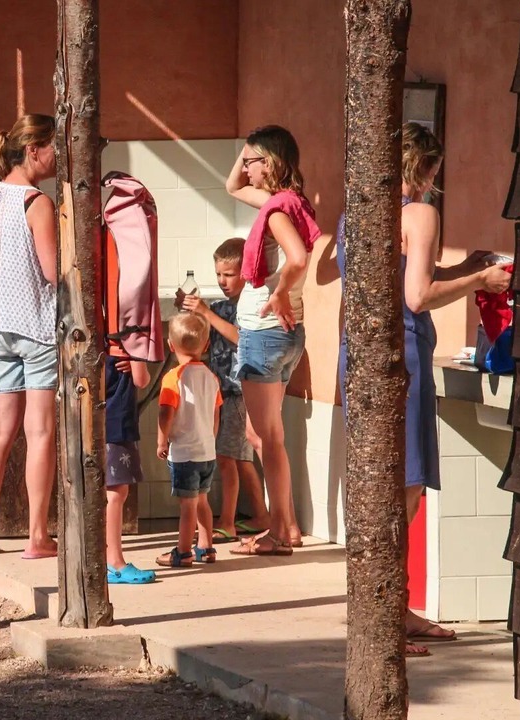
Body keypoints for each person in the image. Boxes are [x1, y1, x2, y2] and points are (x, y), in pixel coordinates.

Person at [336, 122, 512, 656]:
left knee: (379, 489)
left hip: (359, 355)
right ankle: (387, 617)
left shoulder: (357, 211)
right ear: (428, 168)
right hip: (402, 356)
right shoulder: (421, 212)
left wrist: (461, 267)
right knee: (403, 492)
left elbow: (397, 280)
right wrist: (481, 281)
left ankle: (392, 611)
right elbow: (417, 297)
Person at [0, 114, 60, 560]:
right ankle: (37, 536)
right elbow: (51, 271)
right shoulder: (36, 202)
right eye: (54, 146)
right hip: (36, 329)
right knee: (39, 431)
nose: (58, 155)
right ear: (34, 150)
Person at [224, 125, 320, 556]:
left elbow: (298, 258)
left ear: (273, 162)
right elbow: (232, 186)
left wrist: (279, 291)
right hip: (282, 337)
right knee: (263, 434)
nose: (245, 168)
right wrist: (249, 146)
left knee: (269, 437)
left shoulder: (277, 212)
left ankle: (282, 531)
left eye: (253, 161)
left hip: (264, 336)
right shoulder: (288, 203)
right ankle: (288, 525)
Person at [180, 238, 271, 541]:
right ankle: (260, 515)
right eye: (218, 274)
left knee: (227, 459)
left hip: (239, 393)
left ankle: (228, 521)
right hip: (224, 394)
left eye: (229, 275)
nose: (222, 281)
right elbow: (203, 335)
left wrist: (207, 314)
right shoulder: (218, 307)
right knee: (242, 460)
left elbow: (240, 338)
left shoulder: (250, 305)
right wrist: (191, 311)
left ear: (245, 272)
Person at [155, 312, 222, 568]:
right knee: (203, 501)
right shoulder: (211, 377)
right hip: (207, 451)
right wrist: (210, 439)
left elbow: (165, 412)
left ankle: (183, 552)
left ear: (170, 345)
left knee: (187, 506)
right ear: (206, 346)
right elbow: (216, 414)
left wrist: (162, 441)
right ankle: (205, 547)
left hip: (184, 453)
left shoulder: (173, 377)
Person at [105, 354, 156, 584]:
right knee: (116, 493)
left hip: (101, 422)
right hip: (117, 422)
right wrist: (139, 359)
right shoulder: (128, 343)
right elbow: (142, 379)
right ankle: (114, 561)